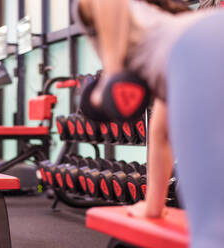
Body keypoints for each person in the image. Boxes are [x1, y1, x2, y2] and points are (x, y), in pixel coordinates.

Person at [75, 0, 224, 246]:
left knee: (211, 227)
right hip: (212, 31)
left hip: (199, 45)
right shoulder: (164, 54)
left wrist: (112, 73)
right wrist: (153, 206)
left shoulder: (90, 12)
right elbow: (161, 135)